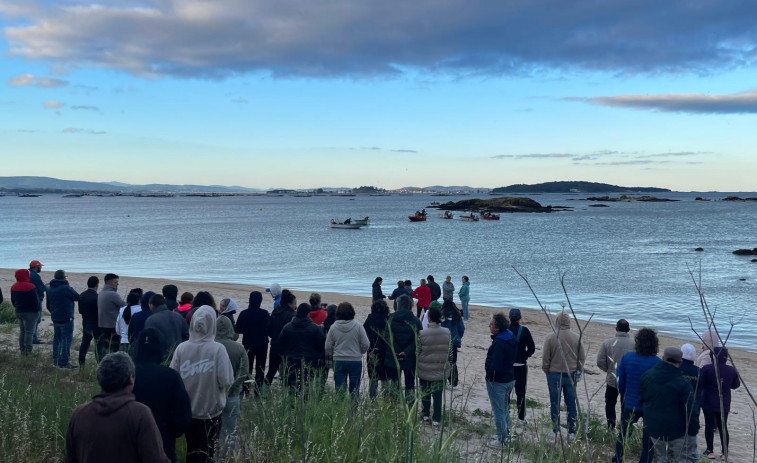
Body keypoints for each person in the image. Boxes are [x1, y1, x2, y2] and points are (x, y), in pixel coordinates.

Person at [66, 352, 170, 463]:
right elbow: (156, 459)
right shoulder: (140, 414)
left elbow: (70, 459)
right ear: (131, 379)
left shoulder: (79, 414)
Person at [170, 305, 233, 463]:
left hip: (188, 410)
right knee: (207, 451)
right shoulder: (218, 350)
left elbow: (173, 377)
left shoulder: (181, 348)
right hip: (212, 410)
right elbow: (227, 380)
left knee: (191, 449)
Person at [132, 328, 192, 463]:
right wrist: (172, 432)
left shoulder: (128, 375)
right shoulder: (170, 376)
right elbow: (183, 414)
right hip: (163, 444)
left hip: (130, 446)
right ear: (160, 348)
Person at [613, 327, 661, 463]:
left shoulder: (627, 358)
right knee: (649, 439)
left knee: (623, 435)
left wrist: (624, 394)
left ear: (637, 342)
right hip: (649, 405)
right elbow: (659, 387)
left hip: (630, 402)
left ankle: (617, 459)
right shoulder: (657, 363)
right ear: (654, 344)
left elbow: (619, 380)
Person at [639, 347, 694, 463]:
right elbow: (691, 410)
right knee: (682, 459)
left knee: (662, 457)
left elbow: (642, 398)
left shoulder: (647, 375)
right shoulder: (683, 383)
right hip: (676, 431)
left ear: (663, 358)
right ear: (680, 363)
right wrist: (692, 431)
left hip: (654, 428)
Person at [542, 310, 585, 440]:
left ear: (557, 321)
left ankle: (555, 430)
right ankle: (572, 431)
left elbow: (545, 358)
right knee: (571, 403)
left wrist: (546, 370)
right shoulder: (576, 337)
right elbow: (581, 358)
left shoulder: (551, 337)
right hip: (570, 374)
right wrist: (578, 369)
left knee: (555, 402)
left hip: (554, 374)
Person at [215, 315, 249, 462]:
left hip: (213, 395)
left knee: (212, 430)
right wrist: (233, 387)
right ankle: (227, 458)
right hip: (232, 396)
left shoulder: (211, 346)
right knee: (230, 430)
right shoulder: (239, 348)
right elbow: (244, 373)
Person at [701, 347, 740, 460]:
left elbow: (701, 383)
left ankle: (710, 451)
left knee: (709, 425)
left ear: (712, 357)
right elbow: (735, 385)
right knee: (723, 427)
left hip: (708, 401)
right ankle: (724, 453)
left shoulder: (706, 369)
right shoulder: (731, 370)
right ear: (725, 357)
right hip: (724, 402)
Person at [278, 303, 327, 393]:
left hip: (291, 361)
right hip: (309, 362)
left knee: (293, 387)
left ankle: (293, 405)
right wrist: (317, 356)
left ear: (297, 312)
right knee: (307, 387)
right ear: (308, 314)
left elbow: (281, 345)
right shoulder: (315, 329)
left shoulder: (287, 327)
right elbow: (321, 346)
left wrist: (286, 355)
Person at [485, 313, 517, 448]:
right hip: (509, 378)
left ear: (498, 328)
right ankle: (506, 435)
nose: (489, 326)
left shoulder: (499, 343)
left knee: (499, 410)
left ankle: (502, 440)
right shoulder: (510, 337)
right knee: (504, 408)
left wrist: (489, 375)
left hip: (498, 381)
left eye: (491, 324)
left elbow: (496, 365)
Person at [382, 294, 423, 401]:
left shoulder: (390, 319)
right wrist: (406, 351)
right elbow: (418, 340)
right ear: (410, 306)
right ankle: (409, 405)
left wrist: (398, 350)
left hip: (394, 356)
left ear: (398, 305)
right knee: (410, 383)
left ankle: (394, 405)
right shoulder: (415, 320)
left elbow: (387, 337)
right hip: (409, 357)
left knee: (395, 382)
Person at [325, 302, 370, 397]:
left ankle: (340, 409)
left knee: (340, 390)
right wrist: (360, 352)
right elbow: (366, 344)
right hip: (355, 360)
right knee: (354, 390)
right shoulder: (358, 326)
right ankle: (353, 410)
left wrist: (332, 355)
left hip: (338, 360)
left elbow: (328, 346)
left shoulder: (333, 327)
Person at [596, 319, 635, 429]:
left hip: (612, 378)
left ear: (616, 329)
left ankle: (611, 426)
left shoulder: (607, 342)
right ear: (628, 330)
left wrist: (609, 370)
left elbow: (600, 362)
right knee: (625, 405)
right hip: (628, 379)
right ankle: (624, 428)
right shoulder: (635, 344)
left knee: (610, 403)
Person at [418, 307, 450, 427]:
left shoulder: (422, 333)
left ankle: (426, 415)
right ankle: (437, 419)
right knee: (437, 395)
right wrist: (449, 364)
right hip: (440, 368)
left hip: (425, 368)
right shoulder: (447, 332)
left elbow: (418, 350)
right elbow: (450, 352)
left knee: (425, 392)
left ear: (429, 318)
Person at [234, 291, 270, 395]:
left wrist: (247, 329)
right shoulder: (264, 313)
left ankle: (246, 389)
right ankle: (257, 391)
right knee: (260, 367)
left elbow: (238, 329)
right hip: (262, 343)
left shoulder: (244, 313)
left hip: (248, 343)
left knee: (247, 367)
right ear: (260, 301)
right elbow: (268, 328)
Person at [47, 269, 80, 369]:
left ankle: (55, 360)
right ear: (64, 277)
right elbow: (77, 297)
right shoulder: (66, 288)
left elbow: (48, 305)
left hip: (55, 317)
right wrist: (68, 285)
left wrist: (53, 312)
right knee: (66, 340)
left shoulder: (49, 288)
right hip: (66, 318)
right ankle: (64, 362)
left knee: (57, 339)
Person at [508, 308, 535, 424]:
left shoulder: (505, 330)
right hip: (521, 365)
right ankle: (521, 418)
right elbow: (532, 348)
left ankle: (506, 413)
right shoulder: (524, 330)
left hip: (507, 365)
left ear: (509, 317)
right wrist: (525, 355)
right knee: (521, 392)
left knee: (506, 391)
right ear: (520, 318)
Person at [144, 294, 189, 362]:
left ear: (152, 305)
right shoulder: (178, 316)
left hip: (160, 358)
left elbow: (148, 341)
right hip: (179, 356)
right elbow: (186, 336)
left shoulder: (151, 320)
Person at [265, 289, 296, 385]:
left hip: (275, 344)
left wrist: (274, 336)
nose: (296, 306)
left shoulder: (275, 311)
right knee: (288, 372)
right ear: (289, 303)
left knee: (271, 371)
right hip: (287, 347)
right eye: (295, 303)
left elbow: (268, 329)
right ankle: (287, 394)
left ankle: (263, 393)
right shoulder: (291, 315)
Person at [680, 343, 703, 463]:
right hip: (694, 407)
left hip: (677, 406)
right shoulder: (699, 372)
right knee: (691, 432)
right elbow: (703, 387)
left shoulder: (677, 368)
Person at [364, 299, 390, 398]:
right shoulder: (388, 320)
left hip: (372, 351)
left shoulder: (369, 320)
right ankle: (386, 399)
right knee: (385, 378)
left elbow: (365, 336)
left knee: (373, 378)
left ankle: (372, 399)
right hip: (386, 352)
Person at [11, 268, 40, 354]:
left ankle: (22, 349)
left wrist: (17, 308)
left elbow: (13, 301)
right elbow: (36, 301)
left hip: (19, 311)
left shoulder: (14, 287)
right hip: (30, 312)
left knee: (22, 331)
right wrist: (37, 310)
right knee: (29, 332)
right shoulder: (30, 286)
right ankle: (28, 350)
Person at [98, 273, 126, 358]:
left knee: (106, 347)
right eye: (115, 282)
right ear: (109, 283)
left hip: (102, 324)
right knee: (114, 348)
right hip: (112, 325)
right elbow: (124, 306)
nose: (117, 284)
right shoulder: (112, 294)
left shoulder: (101, 293)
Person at [441, 299, 465, 390]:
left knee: (442, 361)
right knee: (453, 362)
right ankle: (453, 383)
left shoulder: (441, 314)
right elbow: (461, 329)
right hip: (453, 341)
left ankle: (442, 381)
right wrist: (458, 337)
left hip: (442, 340)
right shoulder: (457, 315)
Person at [78, 276, 100, 365]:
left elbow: (80, 311)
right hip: (96, 323)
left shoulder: (82, 295)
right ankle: (99, 362)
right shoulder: (97, 297)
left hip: (86, 321)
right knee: (98, 344)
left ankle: (81, 362)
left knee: (85, 343)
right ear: (97, 285)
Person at [28, 260, 46, 345]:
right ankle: (33, 338)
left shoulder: (28, 274)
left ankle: (31, 337)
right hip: (37, 299)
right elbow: (41, 288)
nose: (41, 268)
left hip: (30, 299)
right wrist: (46, 287)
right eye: (40, 267)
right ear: (36, 267)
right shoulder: (35, 276)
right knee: (36, 320)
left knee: (31, 320)